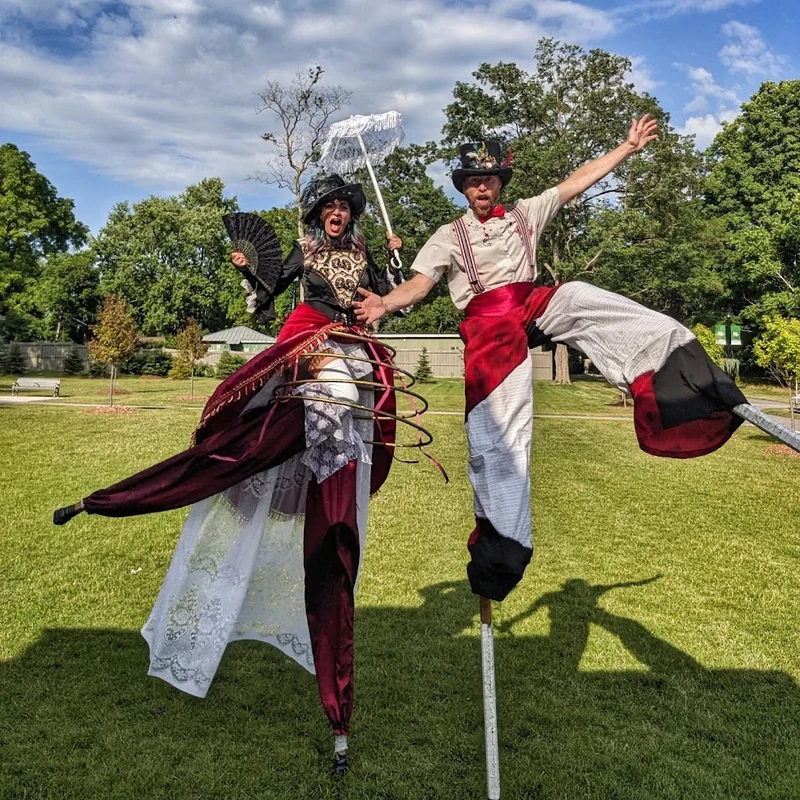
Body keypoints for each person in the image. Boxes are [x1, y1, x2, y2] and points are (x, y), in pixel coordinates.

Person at [53, 174, 404, 775]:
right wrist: (248, 270)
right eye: (330, 207)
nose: (337, 214)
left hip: (354, 344)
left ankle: (338, 699)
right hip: (310, 341)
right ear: (320, 214)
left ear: (352, 213)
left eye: (345, 207)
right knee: (277, 430)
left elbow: (390, 298)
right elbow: (270, 292)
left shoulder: (368, 255)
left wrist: (396, 267)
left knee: (346, 434)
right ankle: (123, 496)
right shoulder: (308, 250)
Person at [353, 118, 748, 603]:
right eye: (474, 181)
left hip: (531, 305)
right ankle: (505, 542)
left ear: (500, 183)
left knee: (580, 294)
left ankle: (674, 367)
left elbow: (579, 179)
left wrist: (626, 146)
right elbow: (419, 284)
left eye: (490, 179)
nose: (482, 187)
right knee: (504, 432)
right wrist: (383, 304)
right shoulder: (448, 235)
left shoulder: (526, 212)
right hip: (488, 323)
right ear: (464, 188)